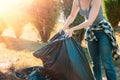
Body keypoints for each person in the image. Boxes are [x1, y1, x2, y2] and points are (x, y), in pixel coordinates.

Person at [59, 0, 119, 80]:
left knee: (107, 63)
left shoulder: (95, 1)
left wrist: (73, 29)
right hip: (91, 32)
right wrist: (63, 27)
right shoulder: (77, 1)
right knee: (95, 63)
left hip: (103, 30)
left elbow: (90, 21)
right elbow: (72, 16)